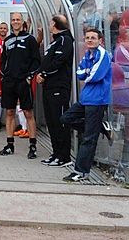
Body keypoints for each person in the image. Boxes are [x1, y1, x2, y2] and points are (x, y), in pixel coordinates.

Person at [62, 28, 113, 182]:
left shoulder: (103, 54)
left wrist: (87, 72)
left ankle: (81, 172)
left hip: (97, 100)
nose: (89, 40)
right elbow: (79, 74)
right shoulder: (88, 54)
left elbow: (94, 76)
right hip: (86, 99)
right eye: (87, 38)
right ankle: (100, 127)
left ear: (100, 40)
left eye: (93, 38)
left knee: (88, 138)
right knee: (65, 119)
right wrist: (86, 72)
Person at [0, 12, 41, 158]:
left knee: (28, 112)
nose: (16, 22)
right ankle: (10, 145)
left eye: (18, 19)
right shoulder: (7, 40)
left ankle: (33, 146)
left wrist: (29, 76)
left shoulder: (30, 39)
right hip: (9, 82)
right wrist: (3, 76)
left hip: (24, 81)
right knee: (9, 112)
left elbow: (36, 60)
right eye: (13, 20)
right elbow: (3, 60)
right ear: (11, 22)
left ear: (22, 22)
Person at [36, 14, 75, 167]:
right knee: (51, 122)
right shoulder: (55, 41)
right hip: (49, 86)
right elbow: (47, 61)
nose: (49, 25)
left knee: (59, 121)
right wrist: (39, 72)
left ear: (56, 24)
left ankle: (64, 156)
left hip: (59, 87)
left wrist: (44, 74)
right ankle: (56, 153)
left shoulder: (65, 40)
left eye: (51, 23)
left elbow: (59, 62)